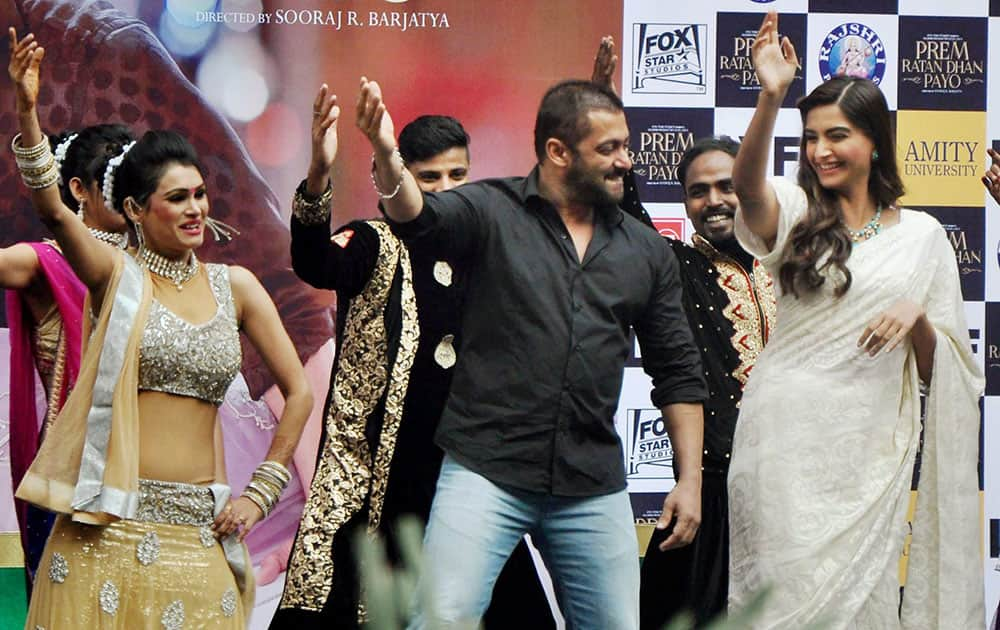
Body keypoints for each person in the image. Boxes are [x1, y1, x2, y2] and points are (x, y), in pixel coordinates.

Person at [356, 74, 706, 629]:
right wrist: (385, 154)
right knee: (440, 622)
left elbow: (678, 371)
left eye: (626, 144)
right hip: (484, 470)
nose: (626, 161)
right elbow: (418, 215)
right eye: (608, 149)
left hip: (591, 482)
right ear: (557, 152)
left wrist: (689, 481)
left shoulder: (645, 251)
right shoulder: (491, 210)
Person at [8, 29, 312, 628]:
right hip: (107, 530)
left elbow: (299, 394)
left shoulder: (238, 288)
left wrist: (260, 494)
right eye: (177, 198)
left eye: (200, 194)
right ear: (137, 211)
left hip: (203, 532)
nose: (197, 208)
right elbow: (51, 210)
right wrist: (27, 111)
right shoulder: (114, 278)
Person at [727, 11, 983, 627]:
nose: (820, 151)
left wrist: (918, 317)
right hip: (783, 439)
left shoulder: (923, 238)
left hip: (869, 453)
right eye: (810, 137)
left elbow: (944, 373)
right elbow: (748, 189)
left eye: (837, 135)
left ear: (874, 141)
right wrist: (770, 97)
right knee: (780, 601)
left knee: (864, 605)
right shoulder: (793, 209)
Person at [273, 89, 556, 628]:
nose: (447, 190)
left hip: (468, 472)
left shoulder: (484, 247)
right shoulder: (373, 242)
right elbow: (312, 261)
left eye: (457, 176)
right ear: (395, 177)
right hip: (375, 476)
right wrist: (317, 174)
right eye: (430, 178)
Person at [637, 135, 776, 628]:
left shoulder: (789, 268)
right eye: (698, 191)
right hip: (711, 492)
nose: (713, 200)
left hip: (789, 492)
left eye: (726, 185)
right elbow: (622, 217)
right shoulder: (671, 266)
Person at [3, 122, 133, 592]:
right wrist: (25, 110)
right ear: (78, 189)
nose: (128, 197)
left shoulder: (158, 268)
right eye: (114, 184)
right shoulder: (44, 262)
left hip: (146, 469)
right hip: (70, 474)